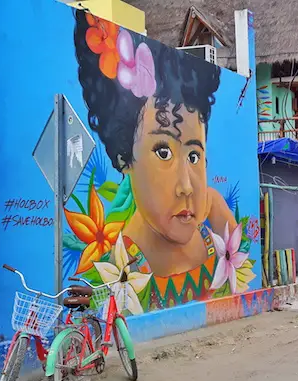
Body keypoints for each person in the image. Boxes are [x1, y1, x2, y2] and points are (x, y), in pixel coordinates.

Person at [69, 11, 243, 313]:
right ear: (125, 157)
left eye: (194, 155)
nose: (186, 186)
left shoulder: (211, 213)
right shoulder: (123, 263)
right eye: (163, 152)